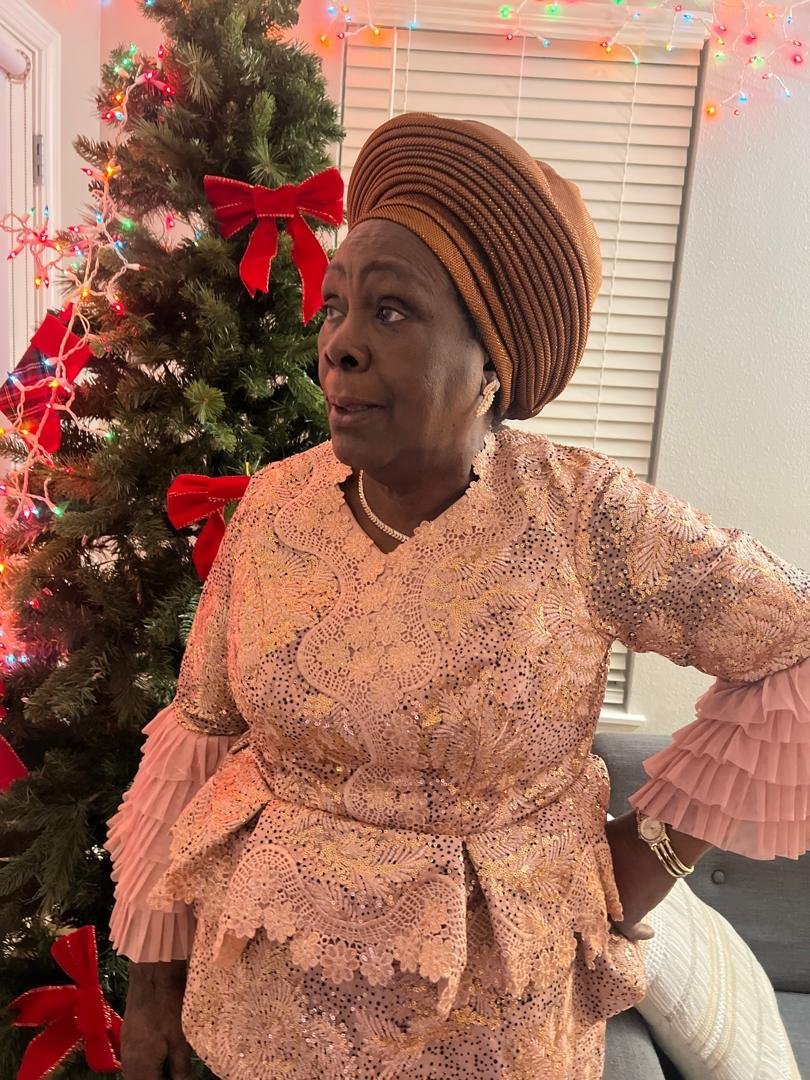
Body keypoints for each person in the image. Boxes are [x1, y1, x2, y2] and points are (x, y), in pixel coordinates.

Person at [107, 113, 810, 1079]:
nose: (340, 346)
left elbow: (794, 640)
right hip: (263, 1014)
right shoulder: (275, 504)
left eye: (392, 311)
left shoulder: (586, 519)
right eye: (335, 307)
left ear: (490, 359)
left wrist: (648, 859)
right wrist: (153, 985)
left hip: (491, 1031)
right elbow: (201, 731)